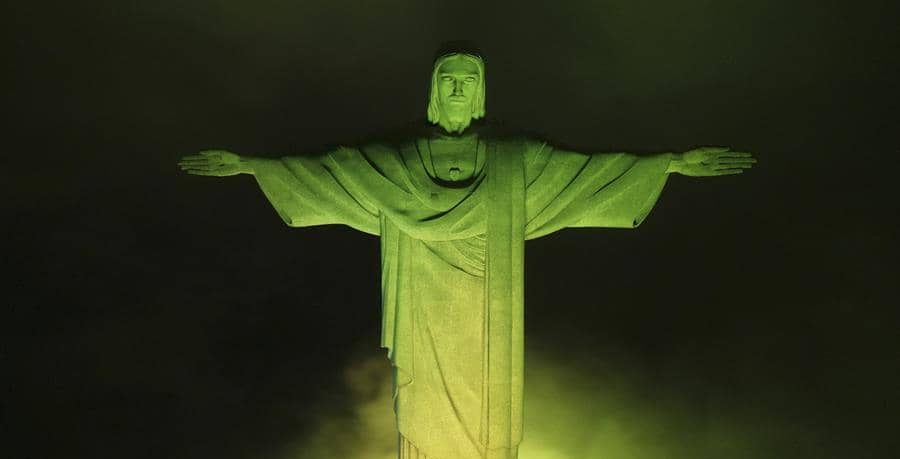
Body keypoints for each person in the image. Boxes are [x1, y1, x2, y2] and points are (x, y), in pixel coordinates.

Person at [179, 47, 755, 459]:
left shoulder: (513, 160)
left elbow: (588, 172)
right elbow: (335, 173)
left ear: (480, 92)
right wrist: (253, 167)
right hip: (426, 303)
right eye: (448, 79)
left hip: (488, 308)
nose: (457, 89)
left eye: (467, 81)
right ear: (435, 89)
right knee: (424, 406)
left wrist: (671, 163)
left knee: (487, 417)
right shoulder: (401, 159)